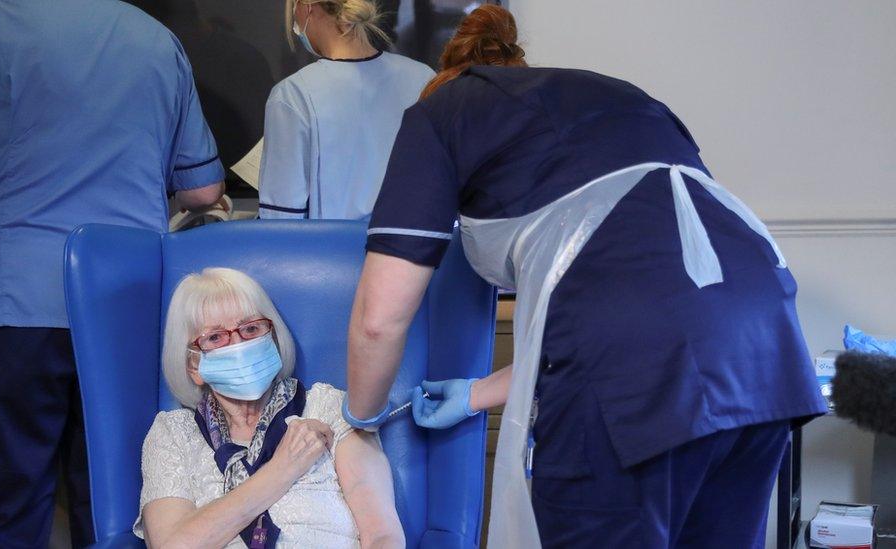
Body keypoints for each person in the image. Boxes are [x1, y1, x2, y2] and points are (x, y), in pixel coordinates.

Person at [342, 5, 827, 548]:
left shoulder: (438, 115)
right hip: (767, 354)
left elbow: (380, 321)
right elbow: (659, 298)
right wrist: (478, 393)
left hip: (644, 386)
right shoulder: (620, 99)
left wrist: (359, 422)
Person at [0, 0, 225, 546]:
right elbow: (204, 191)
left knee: (4, 510)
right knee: (119, 508)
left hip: (12, 296)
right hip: (124, 305)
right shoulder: (157, 40)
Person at [137, 268, 403, 548]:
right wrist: (282, 469)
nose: (239, 345)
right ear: (194, 366)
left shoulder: (328, 407)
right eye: (215, 338)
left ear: (273, 339)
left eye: (251, 329)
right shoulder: (173, 434)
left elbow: (382, 535)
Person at [257, 0, 434, 220]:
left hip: (329, 251)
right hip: (414, 249)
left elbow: (281, 220)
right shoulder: (424, 79)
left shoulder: (292, 95)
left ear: (306, 8)